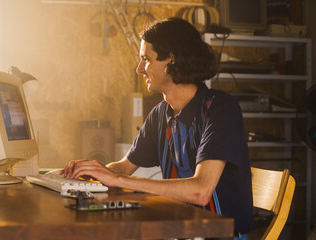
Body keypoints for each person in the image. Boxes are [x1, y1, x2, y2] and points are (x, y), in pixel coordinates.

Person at [61, 18, 254, 238]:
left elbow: (201, 191)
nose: (139, 69)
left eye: (146, 59)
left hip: (217, 234)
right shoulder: (161, 113)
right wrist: (87, 176)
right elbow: (124, 168)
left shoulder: (220, 108)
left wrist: (118, 180)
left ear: (172, 59)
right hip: (177, 230)